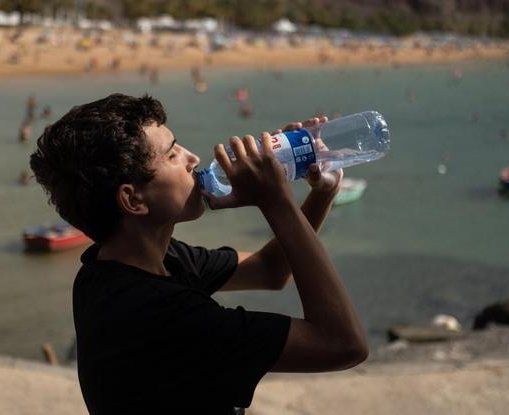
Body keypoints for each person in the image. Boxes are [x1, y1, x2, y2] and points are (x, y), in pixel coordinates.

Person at [30, 94, 367, 414]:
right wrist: (274, 200)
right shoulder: (162, 317)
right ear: (133, 200)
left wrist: (323, 193)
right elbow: (343, 343)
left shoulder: (125, 265)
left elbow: (269, 269)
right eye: (173, 154)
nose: (193, 159)